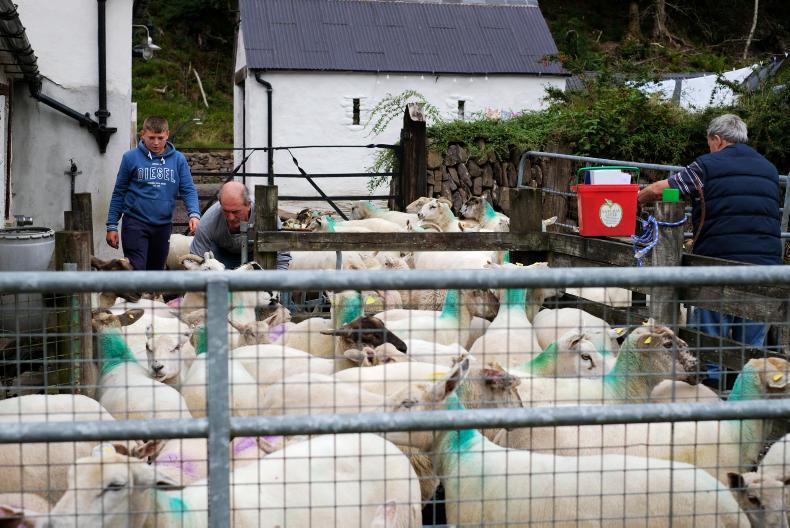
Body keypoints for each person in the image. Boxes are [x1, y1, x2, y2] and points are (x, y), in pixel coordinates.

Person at [638, 113, 781, 347]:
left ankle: (711, 371)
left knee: (711, 340)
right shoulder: (769, 168)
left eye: (709, 143)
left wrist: (637, 199)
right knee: (751, 345)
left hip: (719, 262)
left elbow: (659, 189)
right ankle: (747, 371)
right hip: (766, 266)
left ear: (717, 139)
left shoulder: (706, 166)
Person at [106, 115, 200, 270]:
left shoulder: (178, 160)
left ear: (167, 135)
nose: (156, 143)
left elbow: (188, 189)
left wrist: (194, 214)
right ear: (142, 134)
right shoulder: (130, 158)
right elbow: (119, 192)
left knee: (156, 273)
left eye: (160, 138)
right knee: (136, 269)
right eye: (151, 138)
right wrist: (111, 225)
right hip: (135, 223)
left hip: (163, 226)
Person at [190, 181, 291, 270]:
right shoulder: (208, 221)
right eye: (226, 211)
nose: (231, 218)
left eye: (236, 212)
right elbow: (195, 261)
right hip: (221, 260)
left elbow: (281, 253)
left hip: (257, 257)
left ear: (249, 205)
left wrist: (277, 281)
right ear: (220, 204)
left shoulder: (266, 215)